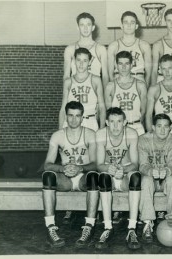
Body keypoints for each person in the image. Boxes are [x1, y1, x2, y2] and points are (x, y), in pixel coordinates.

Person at [42, 101, 99, 248]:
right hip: (65, 178)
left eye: (77, 116)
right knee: (47, 175)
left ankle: (89, 226)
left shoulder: (90, 134)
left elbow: (95, 164)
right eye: (71, 116)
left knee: (94, 175)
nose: (74, 119)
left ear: (82, 117)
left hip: (83, 178)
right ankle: (50, 227)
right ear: (66, 116)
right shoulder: (57, 136)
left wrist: (80, 169)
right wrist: (62, 169)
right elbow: (47, 164)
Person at [95, 107, 141, 250]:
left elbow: (135, 163)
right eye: (112, 122)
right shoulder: (101, 134)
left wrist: (124, 170)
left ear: (125, 122)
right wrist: (109, 169)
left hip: (126, 174)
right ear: (107, 122)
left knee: (136, 177)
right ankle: (108, 227)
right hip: (110, 173)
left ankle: (132, 228)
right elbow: (99, 165)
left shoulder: (132, 134)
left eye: (119, 121)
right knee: (102, 177)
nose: (116, 126)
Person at [138, 113, 172, 243]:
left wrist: (167, 171)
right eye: (159, 126)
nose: (162, 130)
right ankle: (147, 222)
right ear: (153, 127)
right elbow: (142, 165)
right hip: (151, 178)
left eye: (166, 126)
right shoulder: (143, 139)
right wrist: (150, 171)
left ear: (170, 128)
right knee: (145, 180)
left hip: (166, 180)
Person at [59, 47, 106, 132]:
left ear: (90, 62)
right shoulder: (68, 82)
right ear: (74, 60)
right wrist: (60, 131)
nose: (81, 64)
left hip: (90, 121)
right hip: (71, 122)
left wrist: (102, 130)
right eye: (78, 60)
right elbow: (63, 109)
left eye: (85, 61)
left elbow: (102, 107)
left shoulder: (95, 80)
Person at [105, 51, 147, 136]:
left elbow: (143, 111)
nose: (123, 67)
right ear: (116, 66)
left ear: (131, 65)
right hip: (117, 128)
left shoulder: (140, 85)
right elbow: (109, 113)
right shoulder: (110, 86)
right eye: (120, 64)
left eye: (127, 64)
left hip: (136, 126)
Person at [64, 12, 109, 88]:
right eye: (82, 25)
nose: (85, 28)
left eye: (88, 25)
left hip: (94, 93)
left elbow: (105, 76)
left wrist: (105, 97)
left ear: (93, 27)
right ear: (78, 28)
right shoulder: (70, 49)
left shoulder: (101, 49)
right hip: (75, 92)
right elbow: (66, 76)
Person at [108, 11, 152, 84]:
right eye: (126, 22)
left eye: (132, 23)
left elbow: (149, 74)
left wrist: (145, 88)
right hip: (119, 82)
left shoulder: (144, 45)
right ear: (121, 26)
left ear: (136, 26)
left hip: (138, 81)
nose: (129, 25)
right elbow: (110, 74)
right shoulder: (113, 46)